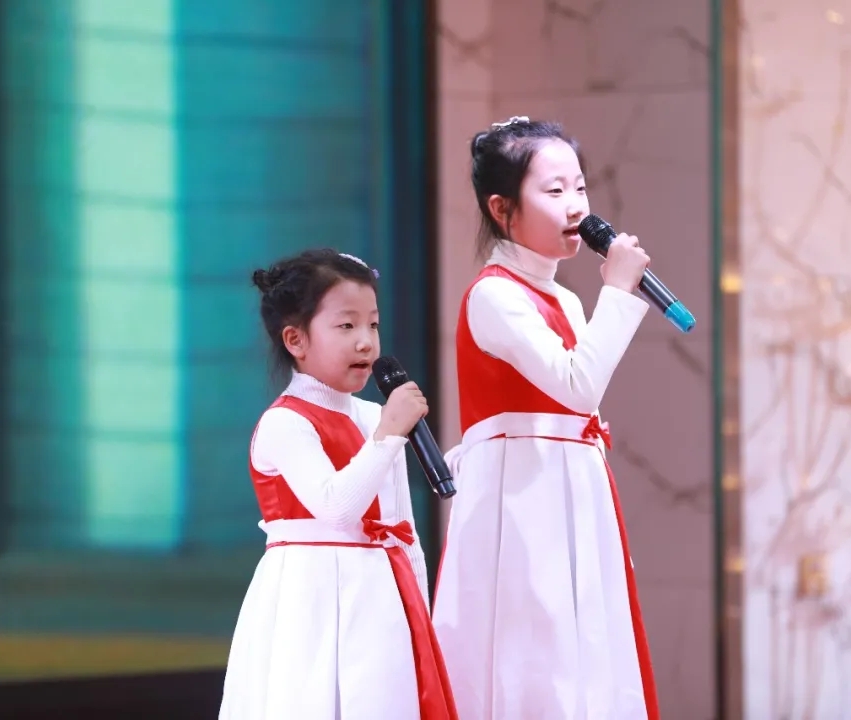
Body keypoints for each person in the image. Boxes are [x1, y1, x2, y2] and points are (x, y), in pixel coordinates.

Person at [431, 117, 661, 719]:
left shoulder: (565, 299)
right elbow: (577, 387)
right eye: (554, 191)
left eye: (579, 187)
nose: (575, 206)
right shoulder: (494, 294)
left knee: (584, 654)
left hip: (571, 489)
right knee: (534, 652)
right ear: (502, 208)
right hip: (522, 497)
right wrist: (619, 291)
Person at [219, 248, 457, 719]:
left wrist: (419, 620)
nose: (366, 342)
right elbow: (336, 508)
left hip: (381, 601)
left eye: (373, 324)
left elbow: (403, 532)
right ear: (296, 339)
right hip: (309, 602)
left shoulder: (375, 417)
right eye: (346, 326)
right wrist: (389, 434)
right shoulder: (286, 423)